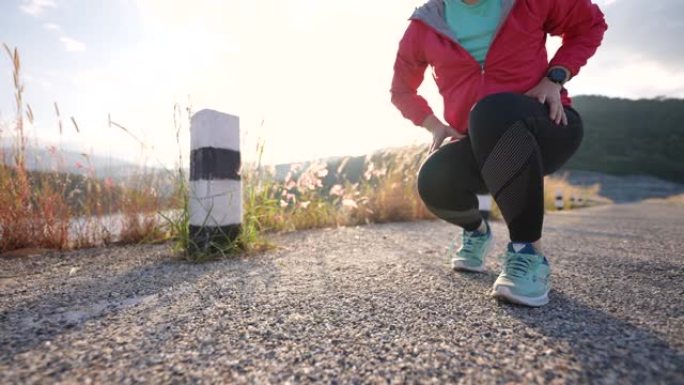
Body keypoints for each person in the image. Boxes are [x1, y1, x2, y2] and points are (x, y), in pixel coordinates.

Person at [390, 0, 607, 307]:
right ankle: (476, 230)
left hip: (547, 125)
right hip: (481, 143)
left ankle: (528, 255)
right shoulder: (425, 25)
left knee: (492, 110)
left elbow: (591, 24)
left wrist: (555, 76)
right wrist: (433, 124)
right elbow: (402, 90)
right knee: (434, 178)